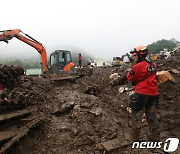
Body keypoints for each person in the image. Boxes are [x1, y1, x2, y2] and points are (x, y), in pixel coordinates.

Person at [126, 45, 160, 142]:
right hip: (153, 95)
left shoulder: (137, 66)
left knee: (136, 118)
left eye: (134, 55)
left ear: (139, 55)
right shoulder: (152, 65)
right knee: (152, 118)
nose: (133, 57)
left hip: (141, 95)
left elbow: (130, 77)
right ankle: (156, 139)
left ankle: (135, 140)